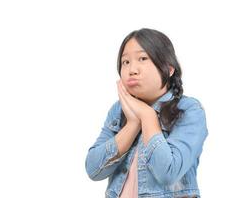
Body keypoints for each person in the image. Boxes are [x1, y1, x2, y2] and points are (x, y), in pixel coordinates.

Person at [85, 28, 208, 198]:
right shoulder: (118, 110)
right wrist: (133, 124)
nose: (132, 69)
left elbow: (167, 172)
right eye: (125, 62)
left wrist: (147, 116)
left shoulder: (189, 110)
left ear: (169, 68)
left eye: (142, 58)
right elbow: (93, 169)